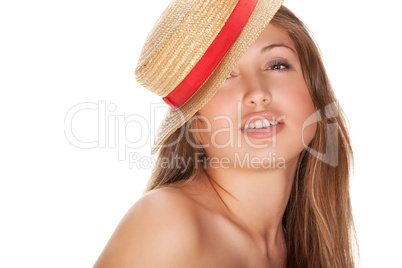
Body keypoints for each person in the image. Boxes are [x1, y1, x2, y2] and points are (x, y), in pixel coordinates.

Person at [94, 0, 359, 267]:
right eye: (223, 77)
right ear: (194, 125)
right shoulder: (167, 220)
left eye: (276, 65)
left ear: (315, 89)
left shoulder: (302, 243)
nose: (257, 93)